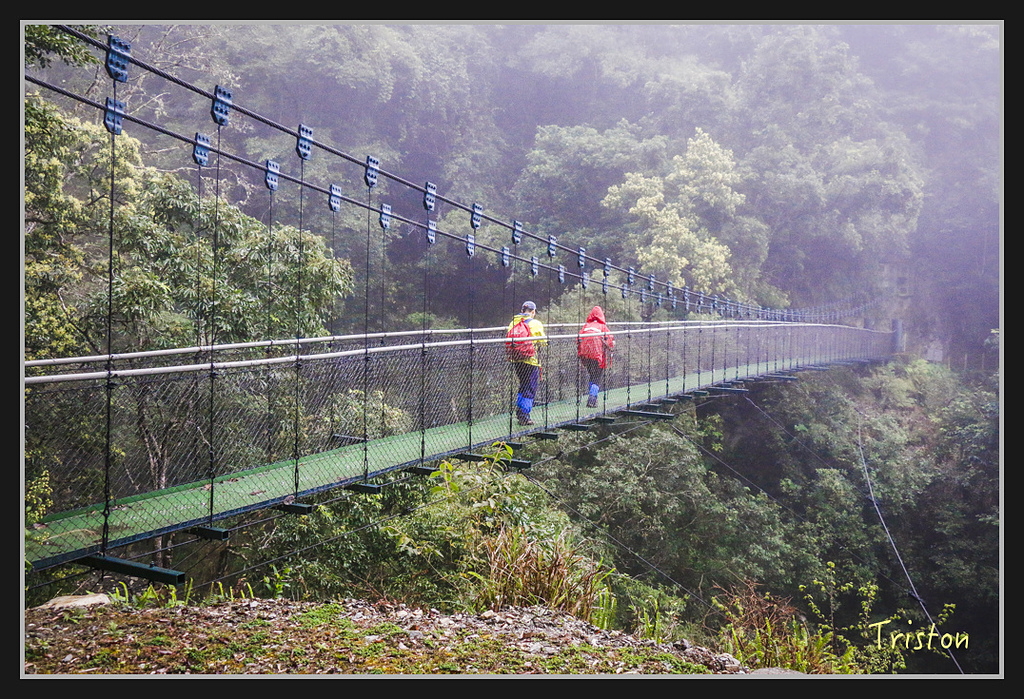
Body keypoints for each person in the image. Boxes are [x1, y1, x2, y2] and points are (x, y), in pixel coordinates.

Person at [506, 301, 546, 425]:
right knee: (530, 387)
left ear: (522, 311)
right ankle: (524, 416)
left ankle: (520, 412)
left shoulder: (513, 322)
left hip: (516, 359)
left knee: (523, 385)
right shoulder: (536, 323)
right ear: (533, 312)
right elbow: (543, 341)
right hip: (530, 360)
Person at [577, 305, 615, 408]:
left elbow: (578, 339)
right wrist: (612, 345)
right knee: (597, 378)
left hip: (586, 356)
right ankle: (592, 399)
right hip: (598, 356)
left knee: (592, 375)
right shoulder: (602, 327)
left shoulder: (586, 326)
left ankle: (592, 397)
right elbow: (609, 341)